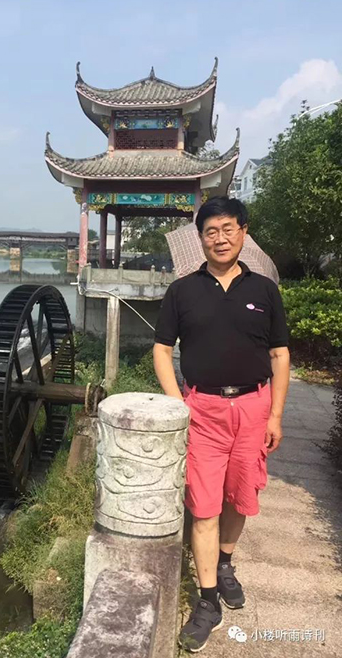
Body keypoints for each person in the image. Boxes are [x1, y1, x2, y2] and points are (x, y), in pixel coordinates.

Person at [153, 196, 290, 653]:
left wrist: (275, 415)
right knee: (205, 505)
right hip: (203, 411)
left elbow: (279, 354)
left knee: (241, 496)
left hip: (253, 408)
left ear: (243, 232)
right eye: (210, 231)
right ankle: (208, 599)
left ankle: (225, 562)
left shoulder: (264, 290)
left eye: (228, 228)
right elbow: (161, 350)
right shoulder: (182, 291)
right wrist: (178, 405)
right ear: (201, 238)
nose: (220, 238)